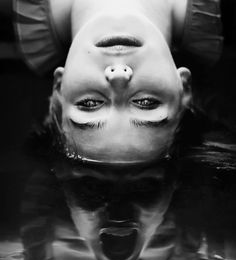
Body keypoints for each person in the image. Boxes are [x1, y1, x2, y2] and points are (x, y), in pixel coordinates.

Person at [11, 0, 224, 165]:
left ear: (59, 86)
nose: (119, 75)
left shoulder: (33, 25)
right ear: (183, 87)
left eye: (90, 104)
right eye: (147, 102)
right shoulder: (209, 20)